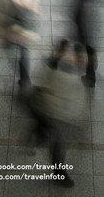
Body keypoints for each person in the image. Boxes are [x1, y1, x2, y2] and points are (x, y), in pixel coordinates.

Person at [27, 41, 86, 187]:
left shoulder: (52, 69)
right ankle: (59, 174)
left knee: (54, 137)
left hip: (51, 111)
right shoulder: (64, 76)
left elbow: (39, 86)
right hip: (59, 115)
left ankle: (40, 132)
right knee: (59, 145)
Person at [72, 0, 102, 88]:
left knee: (88, 53)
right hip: (90, 33)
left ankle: (90, 77)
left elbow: (82, 18)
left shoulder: (87, 0)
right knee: (90, 53)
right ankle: (90, 74)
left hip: (86, 33)